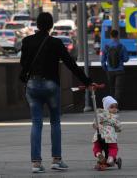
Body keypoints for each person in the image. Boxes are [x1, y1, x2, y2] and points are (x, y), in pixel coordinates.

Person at [20, 12, 95, 173]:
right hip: (51, 85)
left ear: (37, 25)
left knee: (36, 123)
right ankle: (56, 160)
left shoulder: (27, 41)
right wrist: (87, 82)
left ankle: (36, 163)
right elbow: (71, 64)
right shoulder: (55, 43)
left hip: (32, 85)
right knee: (55, 121)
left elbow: (23, 64)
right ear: (51, 26)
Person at [101, 29, 129, 104]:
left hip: (110, 71)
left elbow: (103, 61)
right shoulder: (121, 46)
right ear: (117, 36)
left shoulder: (106, 46)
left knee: (111, 88)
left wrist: (106, 68)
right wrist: (121, 60)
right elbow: (126, 59)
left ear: (111, 36)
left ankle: (111, 105)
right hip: (120, 70)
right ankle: (116, 105)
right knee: (118, 88)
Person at [92, 96, 122, 167]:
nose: (114, 109)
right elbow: (118, 127)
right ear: (106, 108)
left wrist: (96, 126)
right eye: (112, 107)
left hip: (99, 135)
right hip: (110, 136)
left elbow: (94, 124)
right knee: (113, 148)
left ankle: (98, 154)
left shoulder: (99, 115)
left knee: (97, 147)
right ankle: (111, 158)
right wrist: (118, 129)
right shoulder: (113, 117)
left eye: (115, 107)